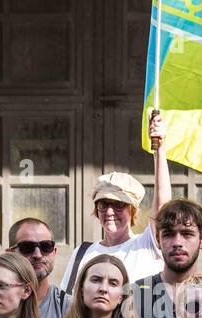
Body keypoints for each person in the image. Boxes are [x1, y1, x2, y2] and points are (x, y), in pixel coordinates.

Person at [60, 113, 171, 287]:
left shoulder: (146, 246)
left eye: (119, 204)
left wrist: (159, 149)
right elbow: (67, 300)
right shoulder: (82, 254)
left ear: (132, 210)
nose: (109, 212)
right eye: (103, 204)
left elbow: (163, 206)